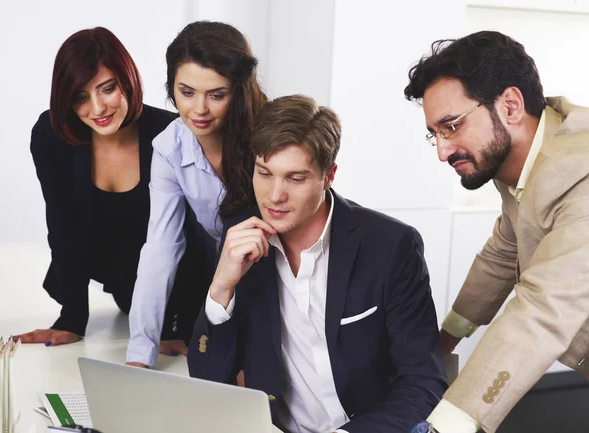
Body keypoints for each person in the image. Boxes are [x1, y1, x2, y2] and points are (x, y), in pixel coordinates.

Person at [188, 94, 447, 433]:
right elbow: (209, 382)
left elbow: (422, 381)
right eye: (264, 173)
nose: (274, 195)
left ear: (329, 176)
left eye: (295, 179)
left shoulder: (390, 246)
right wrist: (221, 288)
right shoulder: (243, 239)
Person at [404, 31, 589, 433]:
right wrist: (443, 343)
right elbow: (504, 253)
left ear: (509, 106)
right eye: (434, 133)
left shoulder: (583, 174)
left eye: (451, 126)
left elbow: (542, 311)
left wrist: (445, 426)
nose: (442, 150)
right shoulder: (527, 160)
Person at [18, 27, 202, 349]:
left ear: (127, 79)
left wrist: (178, 326)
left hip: (183, 289)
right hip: (123, 291)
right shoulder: (52, 136)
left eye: (107, 89)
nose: (98, 108)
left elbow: (189, 240)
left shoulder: (170, 134)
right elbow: (62, 229)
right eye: (80, 97)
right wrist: (72, 320)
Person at [125, 21, 267, 368]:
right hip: (218, 281)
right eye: (186, 92)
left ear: (239, 91)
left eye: (216, 95)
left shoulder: (271, 132)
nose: (199, 109)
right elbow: (160, 249)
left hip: (274, 276)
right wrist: (139, 356)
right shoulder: (169, 148)